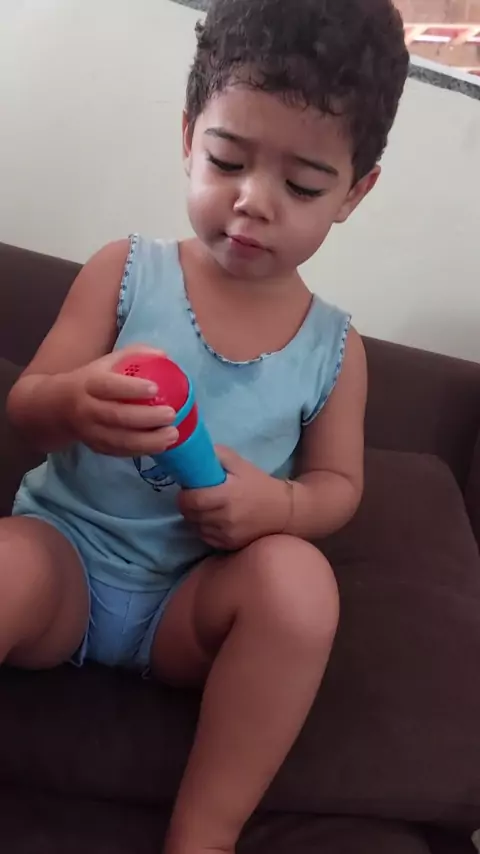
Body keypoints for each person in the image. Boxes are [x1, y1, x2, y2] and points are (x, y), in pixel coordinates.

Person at [2, 0, 409, 851]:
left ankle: (205, 834)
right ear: (189, 137)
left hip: (191, 605)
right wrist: (73, 401)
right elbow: (26, 408)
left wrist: (280, 508)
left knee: (300, 585)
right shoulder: (126, 271)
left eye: (303, 185)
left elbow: (339, 487)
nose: (254, 202)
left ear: (354, 192)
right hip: (65, 563)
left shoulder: (336, 349)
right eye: (228, 160)